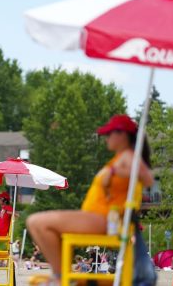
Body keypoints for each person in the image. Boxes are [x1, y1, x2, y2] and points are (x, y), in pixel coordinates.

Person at [26, 114, 154, 284]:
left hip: (103, 218)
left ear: (122, 135)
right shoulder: (121, 157)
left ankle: (60, 276)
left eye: (109, 134)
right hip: (98, 216)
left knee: (38, 222)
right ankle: (63, 275)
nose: (106, 138)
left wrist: (116, 172)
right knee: (38, 224)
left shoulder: (128, 156)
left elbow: (148, 178)